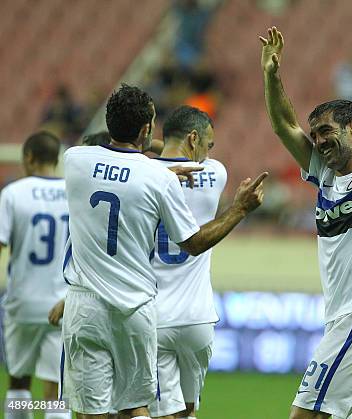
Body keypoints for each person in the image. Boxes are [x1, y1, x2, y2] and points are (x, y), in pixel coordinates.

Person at [61, 84, 266, 418]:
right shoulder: (179, 177)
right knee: (137, 408)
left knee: (92, 411)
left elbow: (122, 166)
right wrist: (240, 209)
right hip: (139, 309)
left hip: (86, 306)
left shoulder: (74, 160)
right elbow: (193, 242)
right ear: (146, 130)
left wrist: (158, 166)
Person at [259, 1, 352, 418]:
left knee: (304, 415)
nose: (318, 141)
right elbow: (283, 125)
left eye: (326, 132)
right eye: (316, 134)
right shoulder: (323, 175)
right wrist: (272, 76)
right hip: (343, 319)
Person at [148, 106, 229, 418]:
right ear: (193, 138)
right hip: (198, 318)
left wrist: (156, 146)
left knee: (159, 412)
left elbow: (151, 151)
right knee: (189, 411)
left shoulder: (144, 176)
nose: (208, 153)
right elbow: (193, 161)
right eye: (207, 145)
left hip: (154, 317)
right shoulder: (217, 173)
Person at [0, 131, 70, 419]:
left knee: (18, 381)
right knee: (56, 392)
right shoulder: (73, 193)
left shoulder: (13, 193)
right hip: (61, 304)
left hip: (22, 303)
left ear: (28, 157)